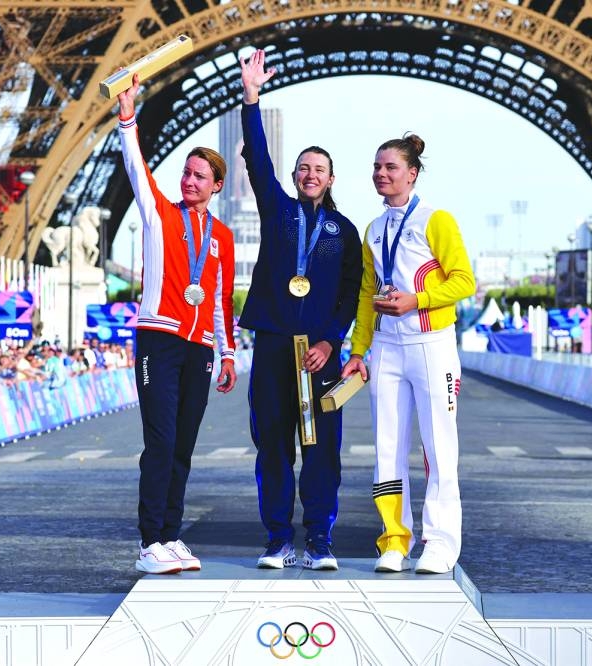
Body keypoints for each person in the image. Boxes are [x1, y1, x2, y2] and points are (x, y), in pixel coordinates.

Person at [238, 51, 362, 571]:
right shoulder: (277, 209)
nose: (311, 175)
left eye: (319, 170)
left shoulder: (345, 232)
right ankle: (277, 540)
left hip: (321, 354)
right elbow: (257, 160)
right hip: (272, 346)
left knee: (322, 450)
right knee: (272, 446)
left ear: (331, 179)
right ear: (293, 175)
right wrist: (251, 98)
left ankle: (320, 540)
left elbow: (351, 294)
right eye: (304, 168)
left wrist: (331, 340)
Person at [117, 73, 238, 575]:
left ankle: (170, 534)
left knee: (183, 446)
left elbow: (220, 300)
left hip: (200, 347)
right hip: (159, 339)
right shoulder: (158, 214)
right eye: (186, 173)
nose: (189, 181)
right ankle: (150, 541)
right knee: (161, 441)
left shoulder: (222, 237)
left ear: (216, 186)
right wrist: (128, 117)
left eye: (199, 177)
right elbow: (135, 168)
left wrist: (227, 353)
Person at [341, 132, 476, 575]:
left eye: (391, 167)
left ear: (412, 174)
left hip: (431, 344)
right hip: (386, 348)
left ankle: (440, 543)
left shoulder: (436, 220)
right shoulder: (373, 229)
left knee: (438, 447)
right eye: (376, 167)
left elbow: (464, 281)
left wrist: (416, 300)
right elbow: (367, 294)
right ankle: (394, 539)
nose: (381, 174)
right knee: (387, 448)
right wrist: (358, 350)